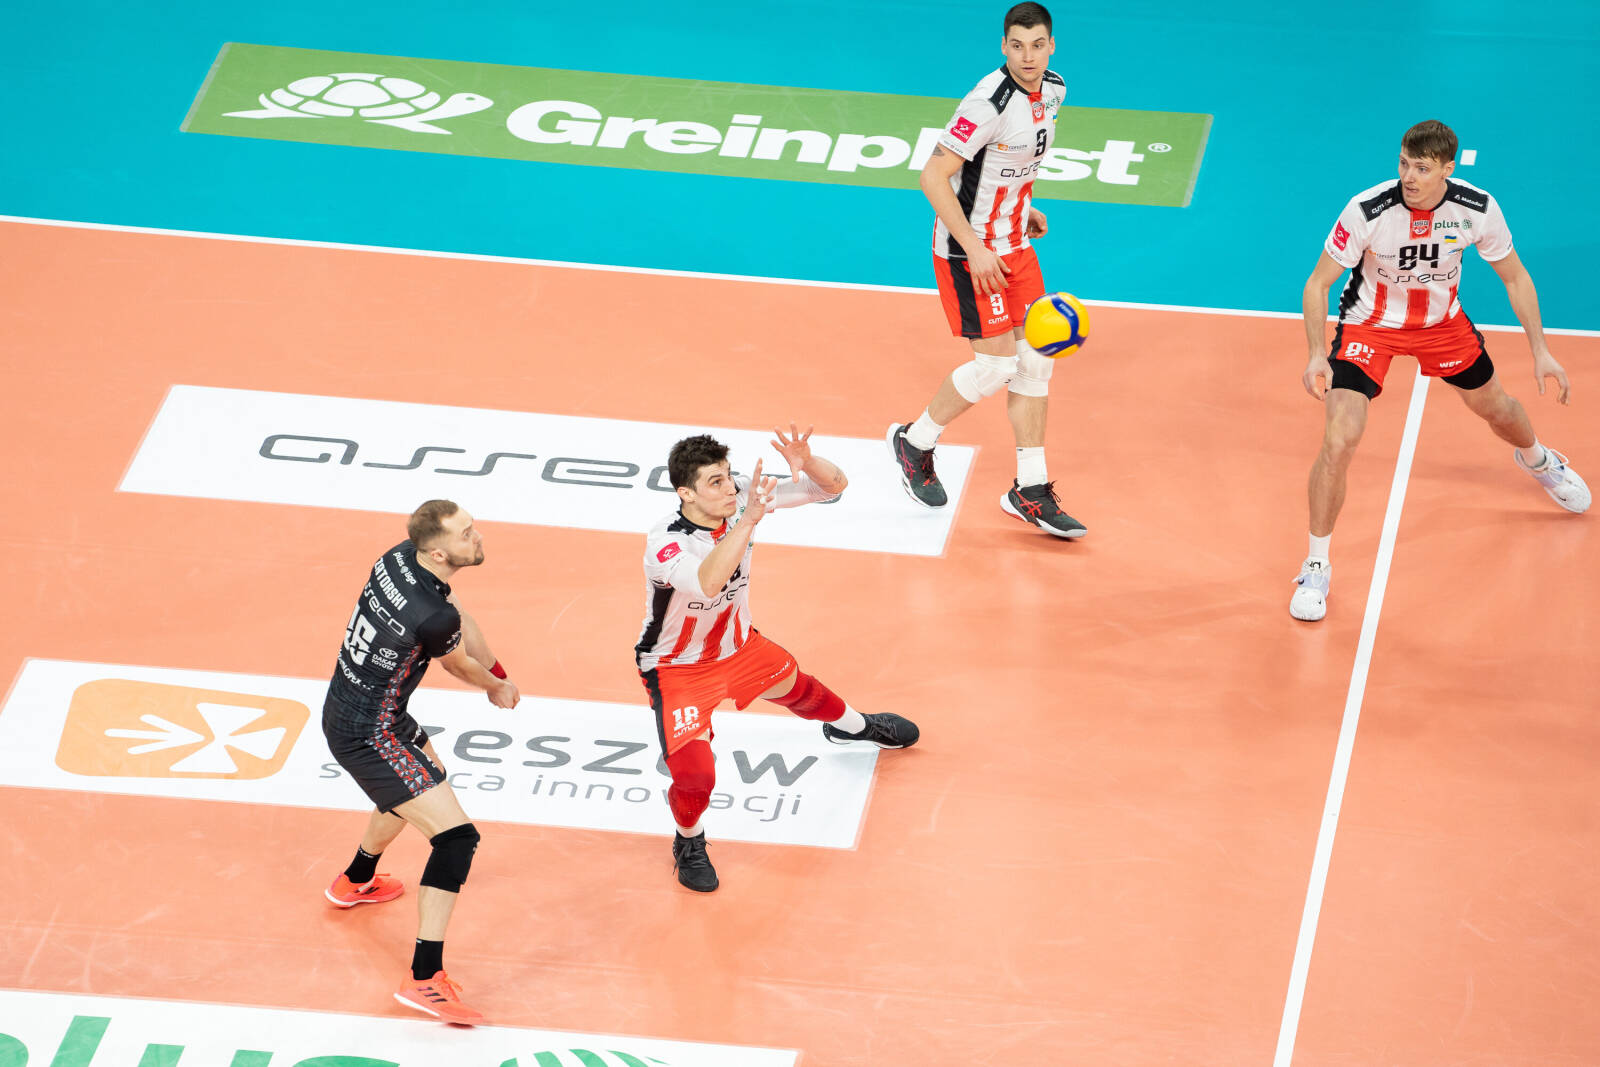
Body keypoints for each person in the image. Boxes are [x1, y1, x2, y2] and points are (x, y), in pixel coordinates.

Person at [1292, 119, 1589, 621]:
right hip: (1370, 326)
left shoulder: (1476, 209)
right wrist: (1316, 353)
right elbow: (1318, 283)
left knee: (1498, 410)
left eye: (1422, 168)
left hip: (1440, 325)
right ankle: (1316, 564)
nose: (1409, 177)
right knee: (1340, 439)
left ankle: (1539, 460)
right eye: (1404, 164)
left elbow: (1516, 278)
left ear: (1447, 169)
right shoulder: (1368, 210)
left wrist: (1541, 350)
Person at [636, 425, 919, 892]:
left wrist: (808, 463)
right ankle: (689, 840)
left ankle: (854, 728)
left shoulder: (740, 497)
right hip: (677, 668)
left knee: (802, 690)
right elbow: (707, 582)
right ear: (686, 493)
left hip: (739, 646)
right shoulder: (666, 542)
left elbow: (832, 487)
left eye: (728, 476)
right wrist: (748, 519)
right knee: (696, 777)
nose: (729, 488)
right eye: (715, 482)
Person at [887, 1, 1085, 539]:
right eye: (1017, 46)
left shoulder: (1055, 89)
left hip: (1016, 243)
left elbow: (1013, 164)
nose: (1028, 57)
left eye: (1038, 45)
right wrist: (975, 247)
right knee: (997, 367)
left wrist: (1025, 207)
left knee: (1036, 362)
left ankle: (1030, 489)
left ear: (1051, 46)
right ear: (1004, 46)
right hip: (969, 253)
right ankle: (915, 442)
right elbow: (933, 177)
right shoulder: (986, 104)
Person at [320, 500, 520, 1023]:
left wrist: (498, 669)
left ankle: (356, 879)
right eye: (466, 533)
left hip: (357, 705)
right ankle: (425, 978)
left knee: (424, 784)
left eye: (473, 527)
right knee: (456, 839)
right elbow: (458, 663)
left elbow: (460, 620)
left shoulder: (398, 558)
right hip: (370, 732)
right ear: (437, 552)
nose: (478, 536)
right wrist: (495, 686)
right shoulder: (432, 615)